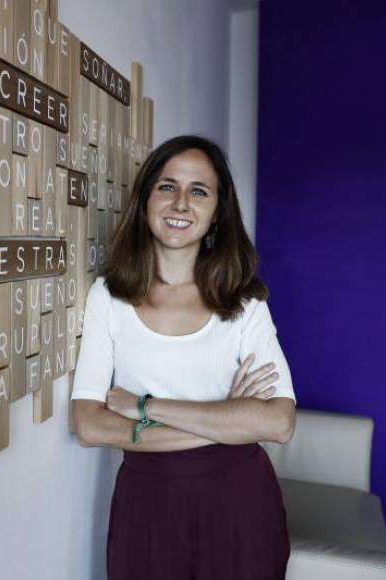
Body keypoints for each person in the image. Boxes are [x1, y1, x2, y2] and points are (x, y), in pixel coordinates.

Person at [71, 135, 296, 580]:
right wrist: (227, 420)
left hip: (240, 505)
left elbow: (278, 423)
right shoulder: (108, 296)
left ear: (216, 213)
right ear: (145, 200)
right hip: (146, 504)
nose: (180, 203)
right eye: (167, 186)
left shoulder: (244, 303)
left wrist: (143, 407)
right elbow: (89, 425)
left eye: (199, 191)